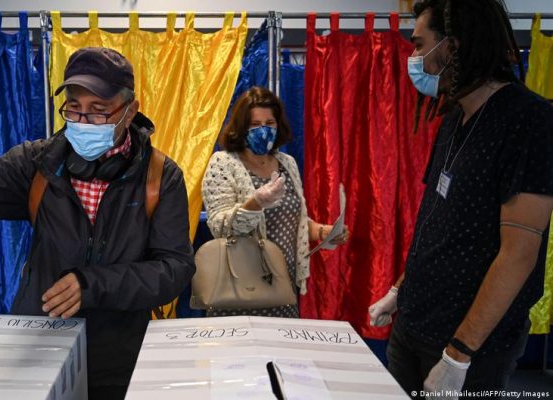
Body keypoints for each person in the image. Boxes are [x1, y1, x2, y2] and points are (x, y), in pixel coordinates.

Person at [0, 47, 195, 400]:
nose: (83, 122)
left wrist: (92, 284)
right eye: (74, 108)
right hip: (38, 348)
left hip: (120, 358)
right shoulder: (36, 164)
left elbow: (174, 268)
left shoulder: (160, 177)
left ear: (130, 110)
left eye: (99, 110)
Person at [368, 1, 553, 398]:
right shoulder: (454, 118)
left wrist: (458, 355)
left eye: (420, 45)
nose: (414, 58)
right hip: (414, 324)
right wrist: (400, 290)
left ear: (453, 45)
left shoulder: (528, 120)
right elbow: (435, 221)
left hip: (466, 345)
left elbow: (519, 254)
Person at [201, 86, 349, 318]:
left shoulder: (287, 163)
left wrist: (323, 231)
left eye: (269, 123)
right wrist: (255, 203)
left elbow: (292, 220)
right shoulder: (223, 163)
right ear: (241, 127)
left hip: (283, 292)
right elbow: (220, 227)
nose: (264, 130)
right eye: (255, 124)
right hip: (238, 293)